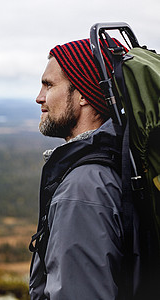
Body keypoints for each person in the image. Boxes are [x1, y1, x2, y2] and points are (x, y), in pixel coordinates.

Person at [29, 38, 140, 299]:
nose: (39, 98)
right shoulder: (121, 157)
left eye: (49, 85)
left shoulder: (83, 187)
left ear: (83, 95)